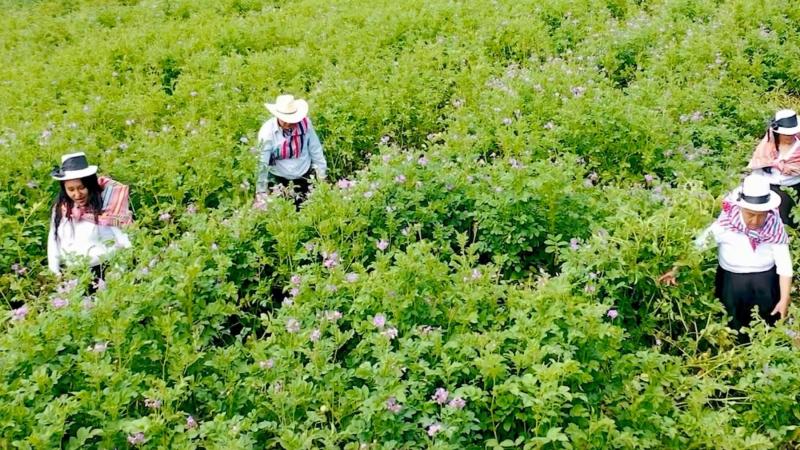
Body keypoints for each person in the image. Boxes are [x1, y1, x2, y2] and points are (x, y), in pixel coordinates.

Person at [659, 174, 792, 331]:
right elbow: (698, 246)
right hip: (731, 281)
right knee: (732, 324)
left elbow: (784, 265)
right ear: (741, 207)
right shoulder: (725, 224)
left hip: (764, 283)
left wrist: (784, 298)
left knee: (766, 325)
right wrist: (676, 270)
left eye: (761, 216)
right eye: (750, 215)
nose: (755, 221)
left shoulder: (774, 226)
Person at [47, 152, 132, 279]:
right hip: (72, 274)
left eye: (81, 188)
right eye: (71, 189)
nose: (77, 194)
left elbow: (124, 240)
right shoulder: (61, 209)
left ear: (90, 185)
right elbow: (54, 240)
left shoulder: (107, 206)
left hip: (105, 272)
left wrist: (119, 273)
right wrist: (55, 271)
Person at [255, 94, 327, 207]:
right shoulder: (267, 132)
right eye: (285, 120)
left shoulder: (305, 125)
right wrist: (261, 192)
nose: (288, 124)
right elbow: (262, 163)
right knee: (283, 211)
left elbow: (315, 149)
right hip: (279, 178)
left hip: (304, 175)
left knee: (307, 208)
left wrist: (321, 176)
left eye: (291, 120)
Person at [748, 109, 800, 227]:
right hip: (767, 184)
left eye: (792, 134)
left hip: (791, 187)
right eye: (786, 134)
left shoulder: (798, 148)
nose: (789, 137)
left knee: (783, 217)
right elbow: (758, 168)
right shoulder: (767, 146)